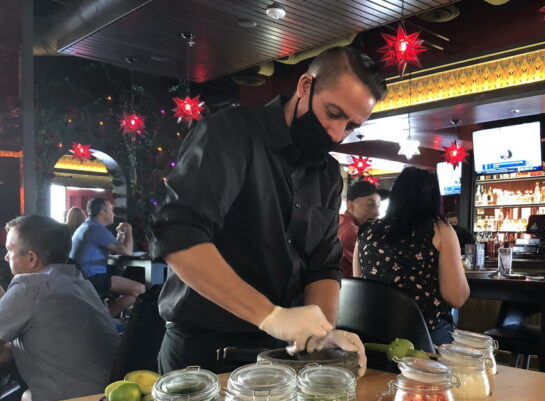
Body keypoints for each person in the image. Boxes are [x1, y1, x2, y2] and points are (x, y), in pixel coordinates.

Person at [150, 47, 387, 375]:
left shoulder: (329, 176)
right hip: (204, 353)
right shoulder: (230, 133)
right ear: (305, 86)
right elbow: (178, 235)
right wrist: (271, 316)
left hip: (279, 356)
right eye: (333, 112)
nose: (336, 133)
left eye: (350, 126)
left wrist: (323, 333)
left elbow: (322, 266)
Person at [0, 215, 119, 401]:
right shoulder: (75, 280)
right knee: (26, 397)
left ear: (31, 258)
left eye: (10, 251)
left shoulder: (29, 288)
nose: (6, 258)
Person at [353, 167, 469, 345]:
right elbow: (457, 298)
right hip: (422, 337)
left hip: (371, 333)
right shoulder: (440, 229)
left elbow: (359, 284)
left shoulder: (366, 231)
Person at [70, 197, 146, 317]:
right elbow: (127, 251)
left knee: (130, 292)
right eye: (111, 209)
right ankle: (106, 317)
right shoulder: (96, 229)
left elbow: (115, 250)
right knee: (140, 289)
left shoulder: (88, 226)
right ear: (102, 212)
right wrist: (129, 230)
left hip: (80, 276)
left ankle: (107, 315)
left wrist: (121, 234)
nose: (114, 213)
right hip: (92, 278)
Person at [338, 180, 381, 277]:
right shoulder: (351, 232)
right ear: (350, 205)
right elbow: (373, 266)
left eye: (378, 206)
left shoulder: (341, 221)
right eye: (371, 205)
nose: (377, 213)